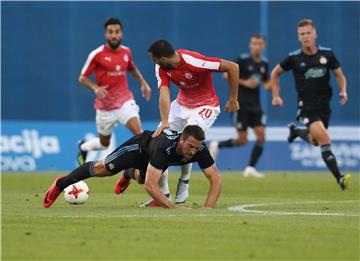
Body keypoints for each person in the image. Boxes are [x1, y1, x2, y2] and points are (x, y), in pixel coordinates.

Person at [114, 39, 239, 207]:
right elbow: (164, 95)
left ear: (163, 58)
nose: (154, 63)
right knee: (162, 141)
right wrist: (165, 122)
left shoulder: (193, 61)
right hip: (180, 105)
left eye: (155, 60)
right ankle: (163, 195)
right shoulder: (161, 67)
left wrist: (233, 99)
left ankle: (184, 180)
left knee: (189, 137)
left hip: (205, 105)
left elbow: (233, 67)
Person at [43, 125, 221, 209]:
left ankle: (129, 173)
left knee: (143, 177)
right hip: (138, 148)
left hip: (153, 160)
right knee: (103, 169)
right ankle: (60, 184)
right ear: (182, 139)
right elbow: (150, 187)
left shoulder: (200, 150)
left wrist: (208, 208)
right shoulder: (163, 149)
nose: (193, 151)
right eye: (190, 146)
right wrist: (174, 208)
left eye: (197, 148)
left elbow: (215, 179)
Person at [271, 19, 351, 190]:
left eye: (308, 33)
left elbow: (340, 75)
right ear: (298, 37)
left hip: (324, 107)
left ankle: (296, 131)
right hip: (306, 107)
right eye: (302, 34)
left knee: (315, 141)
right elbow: (275, 73)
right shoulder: (293, 58)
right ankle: (340, 178)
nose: (306, 36)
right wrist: (276, 95)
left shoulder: (327, 54)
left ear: (315, 34)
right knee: (324, 140)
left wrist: (343, 90)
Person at [77, 18, 151, 165]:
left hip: (125, 102)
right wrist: (95, 88)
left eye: (117, 32)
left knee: (140, 134)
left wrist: (143, 83)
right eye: (111, 32)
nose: (114, 35)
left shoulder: (126, 52)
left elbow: (131, 68)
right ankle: (83, 147)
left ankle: (141, 168)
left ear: (121, 34)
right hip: (105, 108)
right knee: (104, 143)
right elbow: (82, 78)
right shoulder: (96, 54)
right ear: (106, 34)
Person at [209, 34, 271, 178]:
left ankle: (250, 167)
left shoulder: (264, 63)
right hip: (240, 104)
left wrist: (270, 85)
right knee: (242, 140)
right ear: (250, 45)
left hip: (256, 105)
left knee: (261, 136)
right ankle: (218, 145)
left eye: (259, 44)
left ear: (264, 46)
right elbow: (226, 75)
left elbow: (266, 81)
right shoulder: (242, 60)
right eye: (254, 43)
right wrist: (245, 82)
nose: (257, 46)